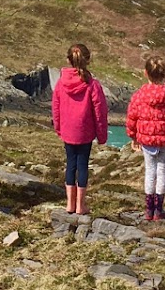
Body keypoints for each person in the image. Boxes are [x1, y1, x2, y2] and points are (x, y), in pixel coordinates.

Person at [126, 56, 165, 221]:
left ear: (145, 73)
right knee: (162, 172)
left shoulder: (140, 95)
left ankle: (148, 210)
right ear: (164, 74)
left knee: (150, 171)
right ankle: (158, 211)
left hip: (147, 141)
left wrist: (133, 137)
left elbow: (132, 117)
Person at [52, 44, 108, 215]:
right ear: (88, 60)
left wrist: (59, 128)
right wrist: (102, 135)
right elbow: (100, 111)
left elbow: (55, 107)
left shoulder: (61, 82)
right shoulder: (92, 84)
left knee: (70, 164)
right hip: (85, 132)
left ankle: (69, 204)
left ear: (68, 60)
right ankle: (80, 206)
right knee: (82, 165)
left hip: (68, 131)